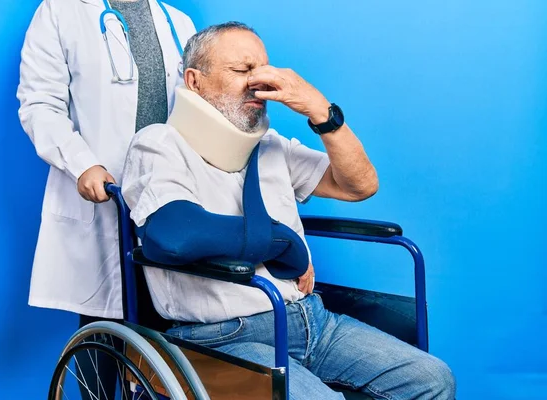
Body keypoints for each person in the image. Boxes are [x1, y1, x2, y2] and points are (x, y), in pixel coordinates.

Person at [121, 22, 456, 399]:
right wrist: (285, 243)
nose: (258, 81)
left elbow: (360, 185)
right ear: (194, 81)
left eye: (264, 70)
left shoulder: (270, 144)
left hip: (313, 320)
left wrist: (320, 111)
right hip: (223, 337)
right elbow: (174, 236)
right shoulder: (159, 144)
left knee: (433, 379)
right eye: (242, 70)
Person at [16, 0, 196, 398]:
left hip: (167, 200)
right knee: (103, 334)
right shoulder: (61, 11)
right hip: (105, 197)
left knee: (168, 342)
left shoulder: (177, 22)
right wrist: (82, 165)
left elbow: (199, 107)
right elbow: (40, 104)